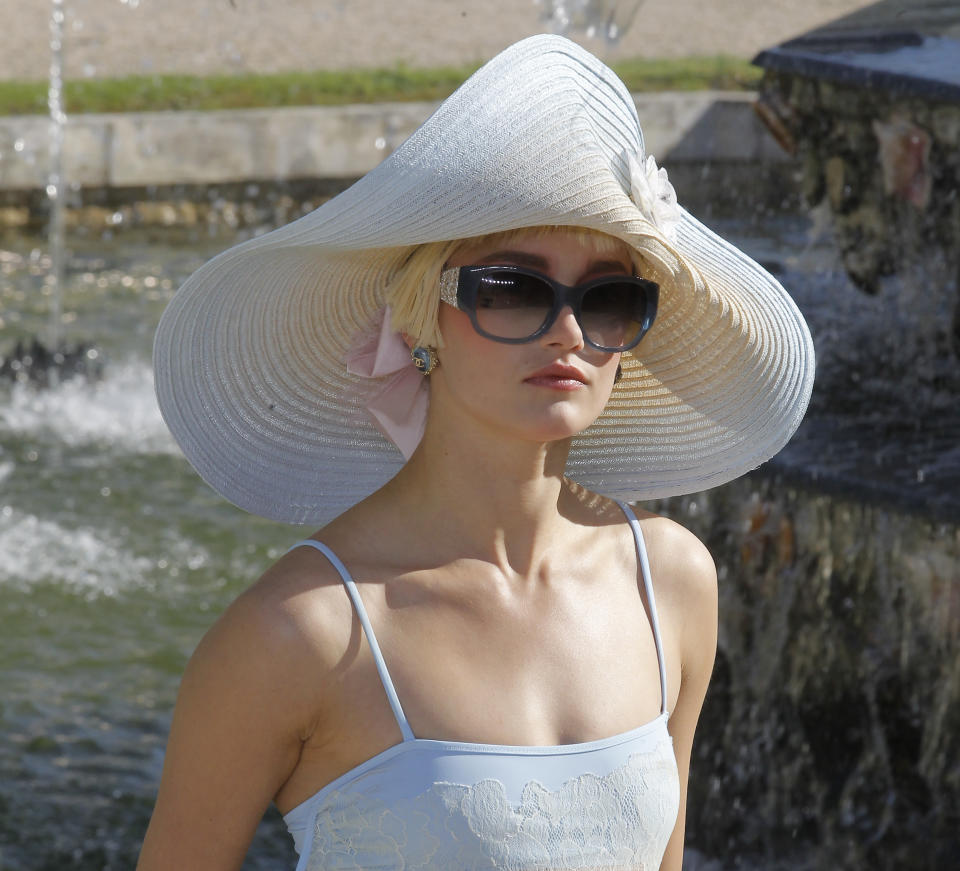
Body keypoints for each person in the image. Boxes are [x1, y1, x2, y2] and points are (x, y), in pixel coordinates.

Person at [139, 34, 814, 871]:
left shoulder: (669, 582)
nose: (568, 330)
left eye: (609, 298)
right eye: (513, 287)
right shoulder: (299, 632)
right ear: (421, 320)